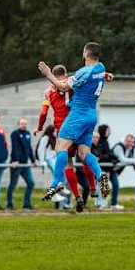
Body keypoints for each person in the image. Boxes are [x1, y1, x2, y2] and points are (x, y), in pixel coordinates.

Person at [38, 42, 113, 209]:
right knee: (84, 152)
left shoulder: (83, 72)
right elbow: (99, 74)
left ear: (86, 54)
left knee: (61, 148)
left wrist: (48, 74)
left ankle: (55, 184)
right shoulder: (100, 67)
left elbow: (63, 87)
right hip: (91, 115)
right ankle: (101, 176)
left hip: (77, 115)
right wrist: (108, 75)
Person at [34, 64, 94, 211]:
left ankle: (77, 196)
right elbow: (91, 78)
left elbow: (43, 113)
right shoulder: (72, 81)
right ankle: (93, 188)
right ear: (65, 73)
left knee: (67, 163)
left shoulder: (48, 92)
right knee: (85, 155)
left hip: (63, 129)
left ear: (52, 75)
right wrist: (105, 75)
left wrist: (40, 127)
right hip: (78, 123)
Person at [6, 118, 37, 210]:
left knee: (31, 183)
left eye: (25, 124)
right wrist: (15, 160)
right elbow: (15, 147)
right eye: (22, 124)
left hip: (25, 164)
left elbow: (29, 148)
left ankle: (26, 204)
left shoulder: (27, 134)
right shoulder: (15, 134)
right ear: (18, 124)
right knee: (13, 184)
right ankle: (9, 204)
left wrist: (33, 160)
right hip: (16, 164)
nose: (24, 125)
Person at [92, 124, 120, 209]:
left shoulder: (105, 142)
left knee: (105, 186)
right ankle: (99, 204)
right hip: (101, 168)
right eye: (107, 130)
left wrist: (113, 159)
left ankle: (106, 203)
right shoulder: (98, 143)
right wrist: (104, 157)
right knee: (100, 187)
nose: (109, 132)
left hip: (107, 168)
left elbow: (107, 154)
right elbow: (102, 156)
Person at [110, 134, 135, 209]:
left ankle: (113, 204)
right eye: (129, 141)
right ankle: (100, 205)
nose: (131, 144)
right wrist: (133, 161)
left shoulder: (132, 148)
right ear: (125, 140)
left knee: (115, 185)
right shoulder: (119, 146)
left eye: (133, 142)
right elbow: (122, 160)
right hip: (107, 168)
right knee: (101, 186)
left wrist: (133, 160)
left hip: (115, 170)